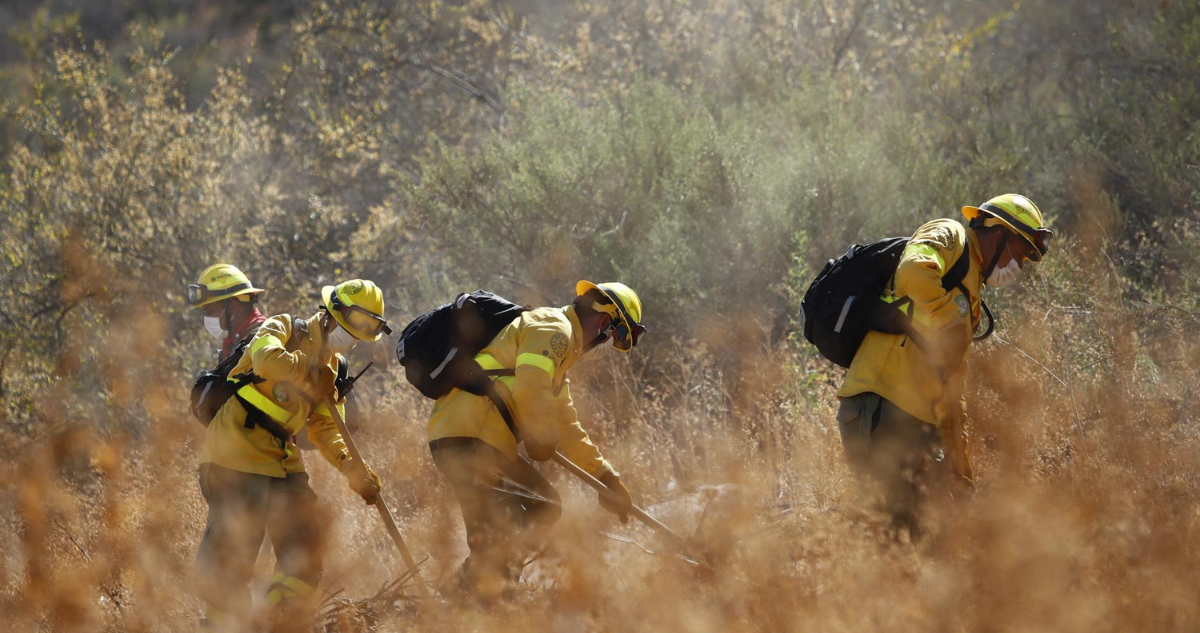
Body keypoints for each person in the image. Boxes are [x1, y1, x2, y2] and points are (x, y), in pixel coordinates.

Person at [835, 193, 1053, 540]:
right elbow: (912, 270)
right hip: (880, 406)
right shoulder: (951, 235)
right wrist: (948, 317)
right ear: (1000, 236)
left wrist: (961, 474)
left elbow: (951, 391)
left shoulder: (971, 292)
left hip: (915, 421)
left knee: (930, 541)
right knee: (895, 539)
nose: (1020, 266)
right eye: (1021, 253)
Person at [427, 280, 647, 601]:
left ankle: (464, 591)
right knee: (510, 523)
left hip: (479, 440)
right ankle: (483, 596)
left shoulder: (561, 353)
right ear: (603, 322)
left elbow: (568, 427)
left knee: (541, 507)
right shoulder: (553, 328)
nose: (606, 346)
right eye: (613, 337)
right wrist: (539, 436)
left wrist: (605, 478)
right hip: (468, 436)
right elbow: (531, 384)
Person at [194, 279, 391, 631]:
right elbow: (266, 359)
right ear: (331, 313)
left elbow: (327, 429)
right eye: (351, 324)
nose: (352, 336)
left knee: (305, 548)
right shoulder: (284, 327)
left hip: (282, 460)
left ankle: (278, 620)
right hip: (234, 451)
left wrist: (354, 470)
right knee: (230, 562)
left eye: (363, 331)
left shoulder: (332, 370)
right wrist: (306, 372)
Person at [188, 264, 267, 362]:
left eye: (210, 311)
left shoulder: (261, 338)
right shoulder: (236, 340)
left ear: (232, 306)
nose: (207, 318)